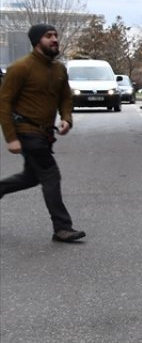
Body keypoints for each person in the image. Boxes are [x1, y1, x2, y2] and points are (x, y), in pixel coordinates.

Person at [0, 24, 86, 243]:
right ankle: (62, 228)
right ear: (37, 40)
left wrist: (66, 118)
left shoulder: (58, 69)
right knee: (50, 175)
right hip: (26, 132)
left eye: (56, 35)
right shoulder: (20, 68)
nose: (55, 39)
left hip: (45, 134)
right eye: (49, 36)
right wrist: (11, 138)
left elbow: (65, 98)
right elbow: (4, 103)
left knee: (31, 176)